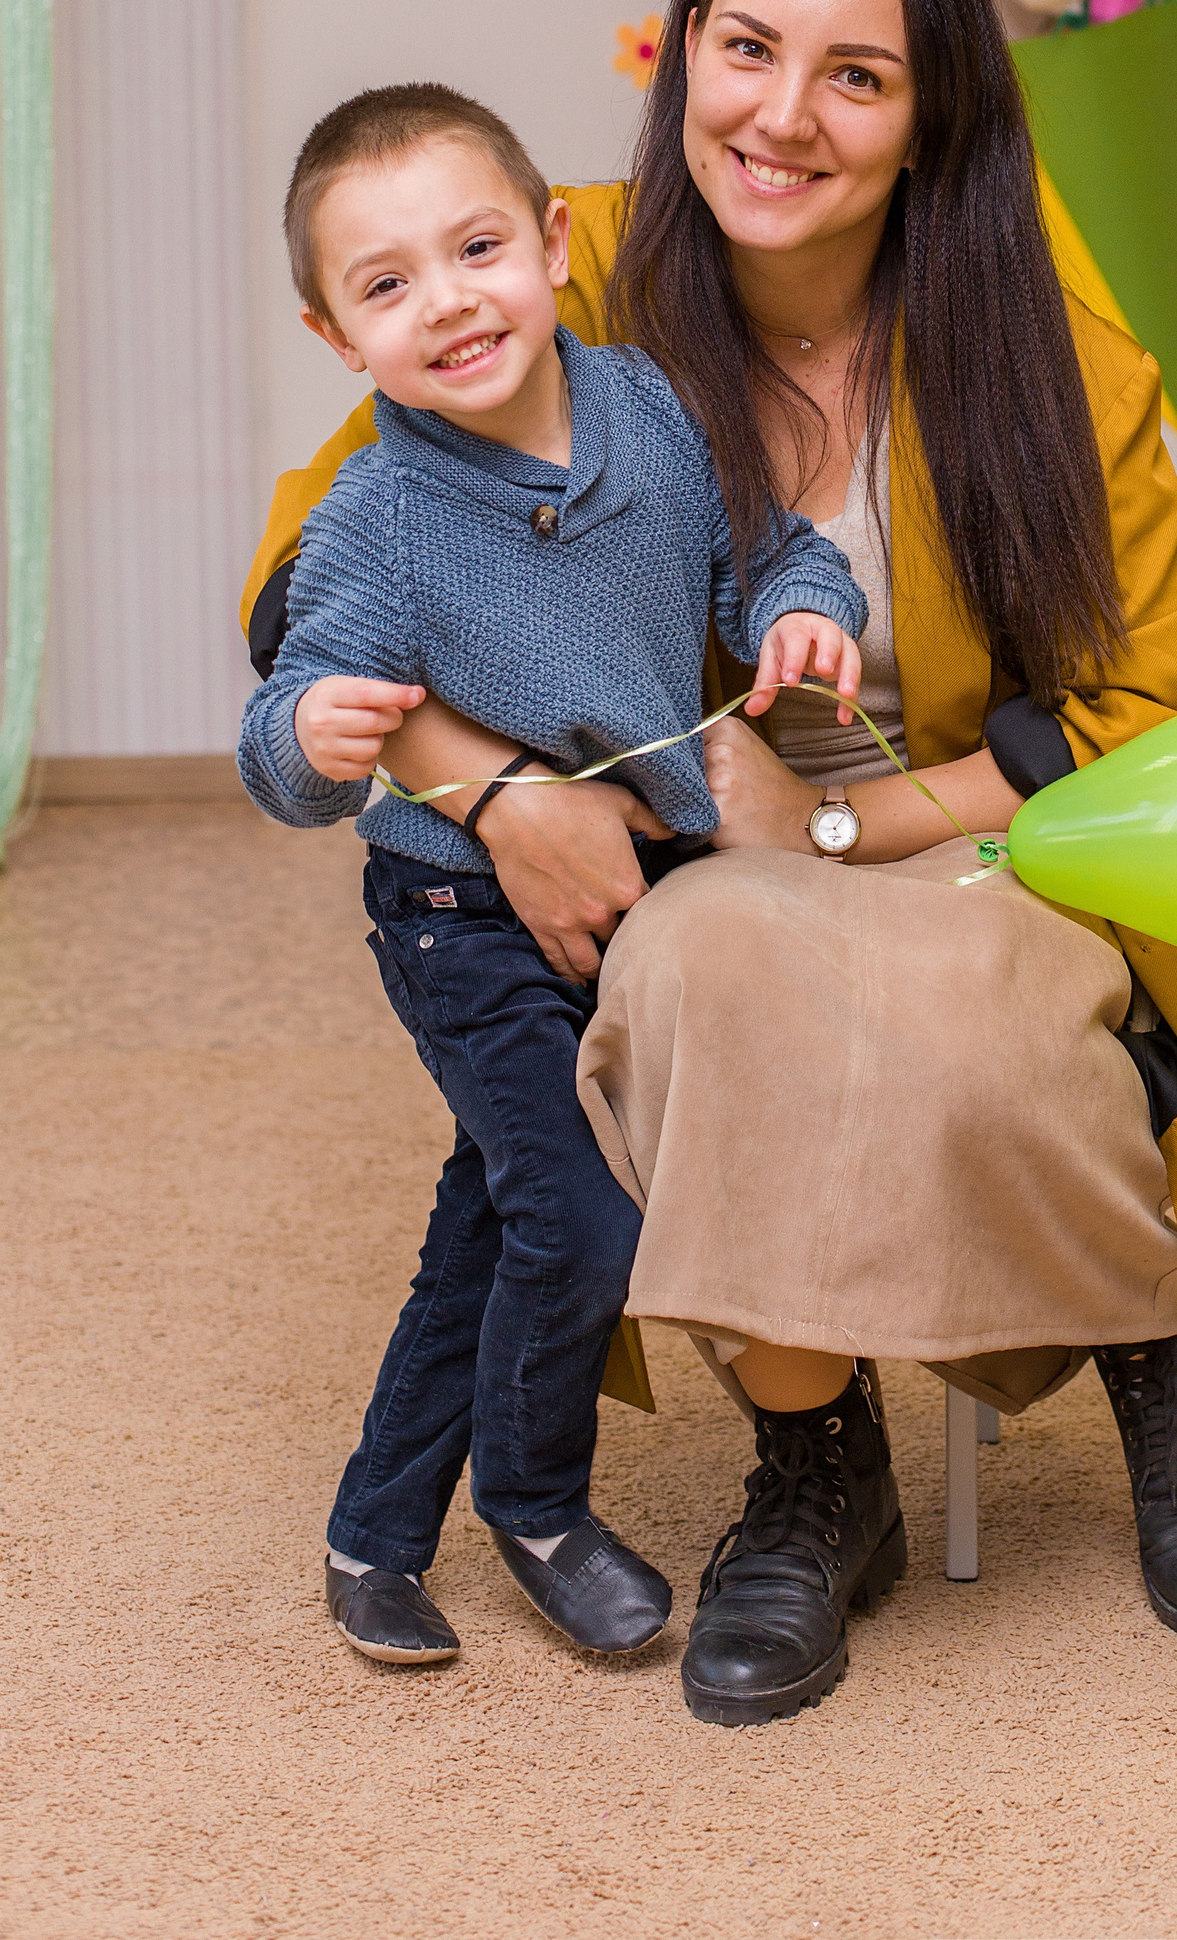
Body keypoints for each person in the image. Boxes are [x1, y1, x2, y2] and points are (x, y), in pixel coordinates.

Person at [241, 0, 1177, 1728]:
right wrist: (494, 792)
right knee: (703, 965)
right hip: (694, 865)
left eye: (856, 75)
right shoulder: (545, 264)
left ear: (932, 114)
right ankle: (817, 1459)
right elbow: (306, 584)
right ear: (685, 56)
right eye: (746, 49)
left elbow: (1149, 709)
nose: (781, 115)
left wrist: (849, 823)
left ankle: (1165, 1344)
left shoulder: (1057, 350)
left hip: (975, 829)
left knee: (984, 1007)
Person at [237, 81, 867, 1669]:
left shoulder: (649, 406)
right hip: (457, 917)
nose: (449, 301)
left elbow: (765, 549)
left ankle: (372, 1537)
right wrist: (309, 733)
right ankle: (537, 1505)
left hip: (631, 896)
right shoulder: (374, 521)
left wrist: (805, 611)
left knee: (492, 1217)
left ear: (554, 243)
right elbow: (278, 750)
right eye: (388, 284)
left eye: (477, 249)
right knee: (584, 1222)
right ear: (335, 337)